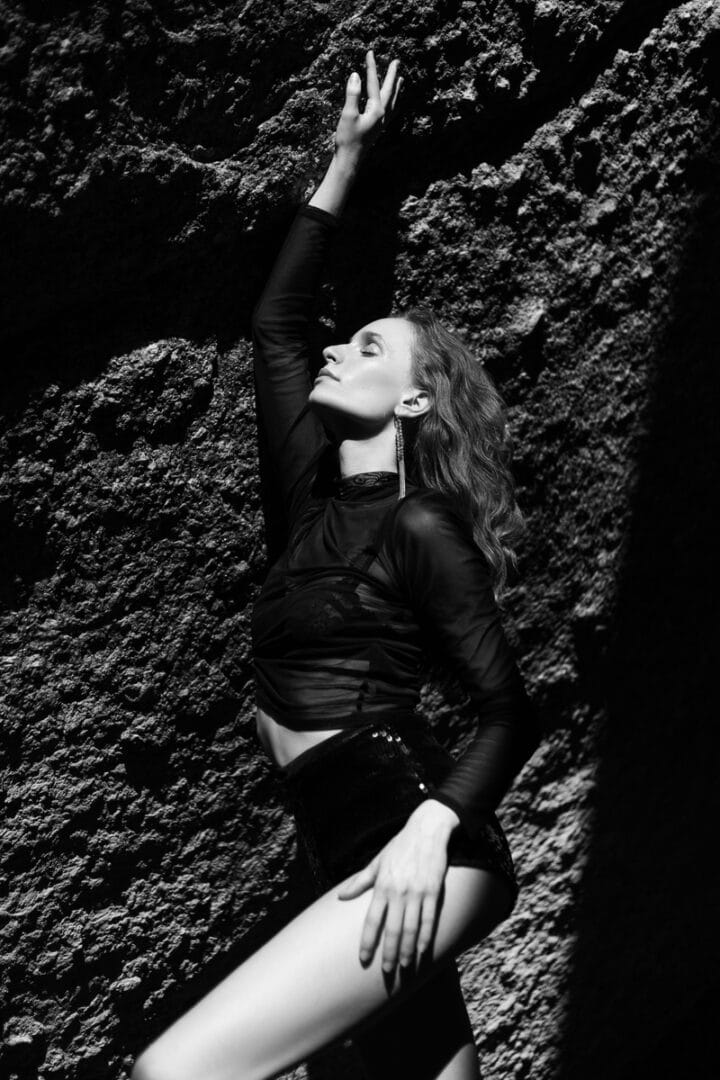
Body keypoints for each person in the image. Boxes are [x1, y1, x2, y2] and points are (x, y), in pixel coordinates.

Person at [132, 48, 541, 1080]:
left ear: (414, 400)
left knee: (173, 1073)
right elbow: (278, 325)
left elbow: (508, 710)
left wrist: (432, 826)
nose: (337, 351)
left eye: (368, 348)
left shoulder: (419, 526)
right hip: (341, 846)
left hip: (418, 844)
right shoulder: (308, 512)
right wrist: (346, 156)